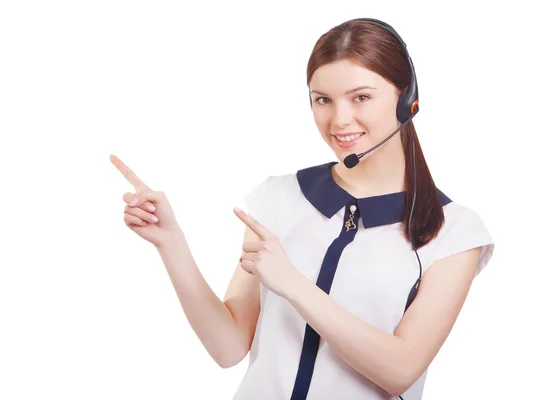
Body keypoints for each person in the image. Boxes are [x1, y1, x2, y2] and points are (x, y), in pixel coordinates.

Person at [111, 17, 495, 400]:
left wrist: (292, 284)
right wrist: (171, 243)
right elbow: (227, 348)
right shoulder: (279, 198)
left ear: (405, 99)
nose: (339, 119)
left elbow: (401, 370)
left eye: (361, 97)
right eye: (323, 100)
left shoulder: (455, 231)